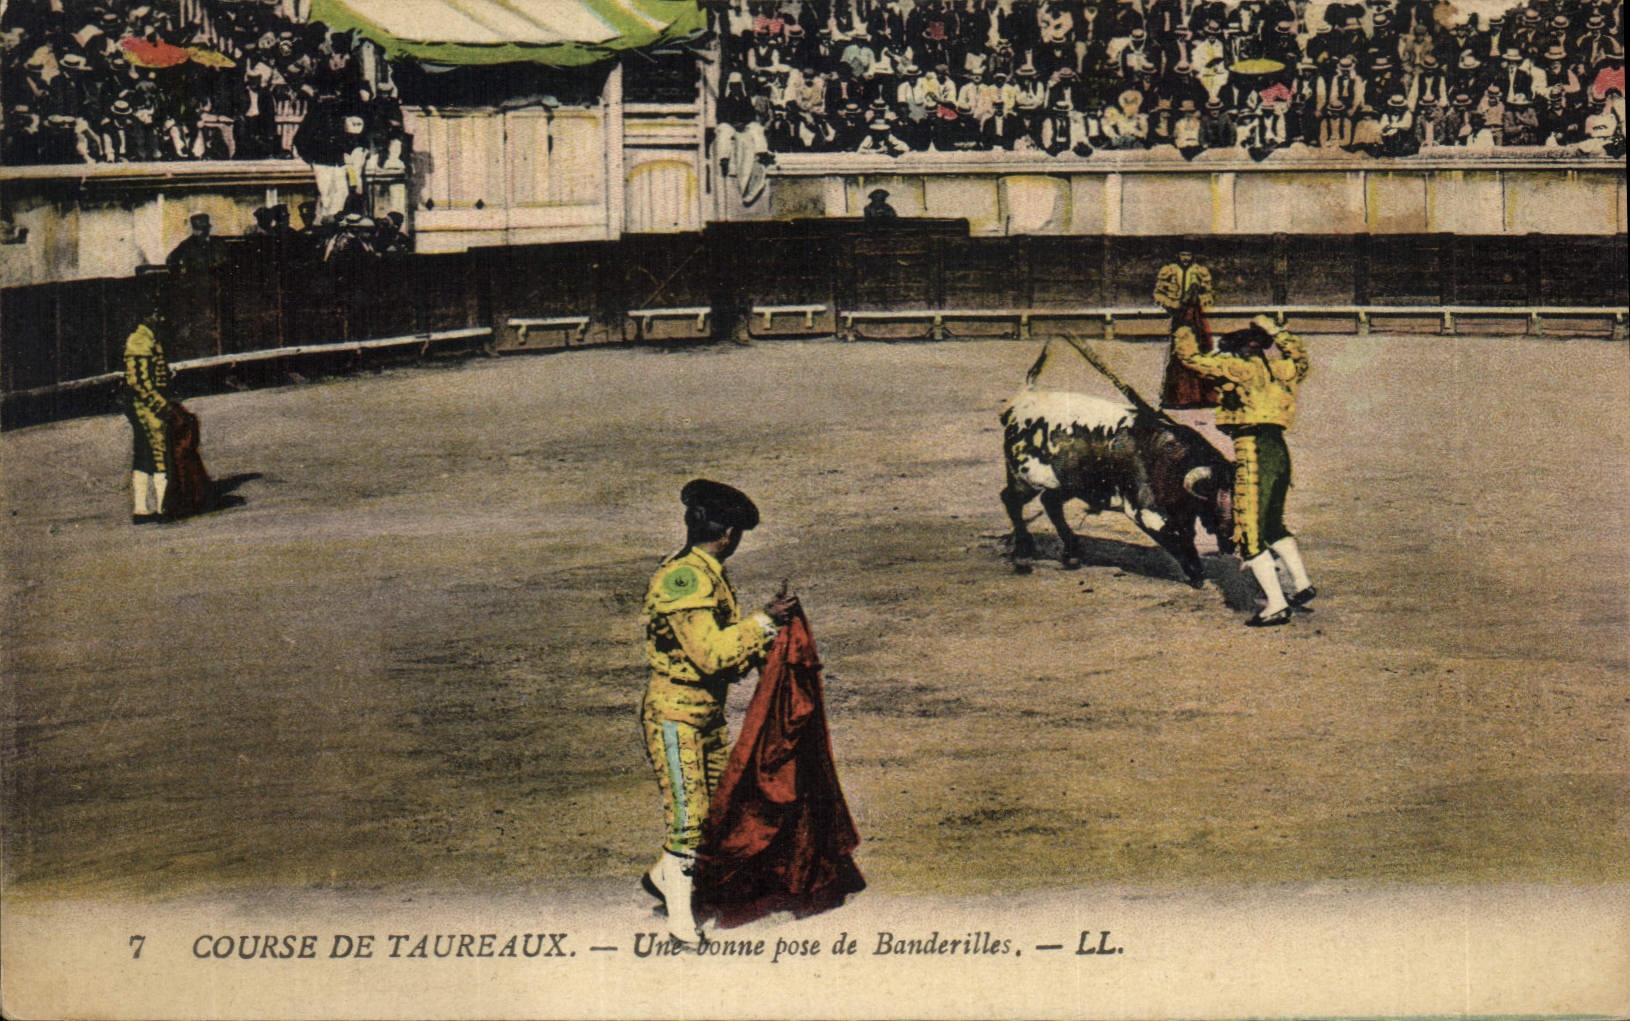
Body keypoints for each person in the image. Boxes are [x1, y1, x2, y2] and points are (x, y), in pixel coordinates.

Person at [640, 480, 799, 943]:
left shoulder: (704, 571)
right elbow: (711, 654)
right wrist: (765, 622)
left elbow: (721, 654)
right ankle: (680, 925)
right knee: (689, 819)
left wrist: (765, 640)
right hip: (675, 715)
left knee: (711, 814)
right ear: (728, 533)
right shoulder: (685, 579)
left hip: (703, 714)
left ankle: (661, 877)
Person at [1173, 314, 1315, 627]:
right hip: (1279, 451)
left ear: (1239, 352)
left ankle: (1276, 605)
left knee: (1249, 533)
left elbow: (1190, 358)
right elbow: (1300, 358)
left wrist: (1182, 327)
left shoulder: (1239, 368)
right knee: (1272, 523)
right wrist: (1277, 331)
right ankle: (1302, 584)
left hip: (1253, 450)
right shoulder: (1281, 368)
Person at [123, 306, 174, 524]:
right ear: (146, 316)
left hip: (145, 404)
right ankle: (163, 508)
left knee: (144, 455)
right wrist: (160, 405)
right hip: (146, 406)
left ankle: (142, 509)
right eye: (156, 313)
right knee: (160, 451)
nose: (161, 317)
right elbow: (138, 382)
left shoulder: (149, 338)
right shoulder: (139, 339)